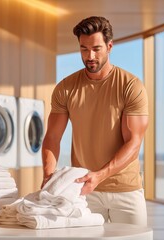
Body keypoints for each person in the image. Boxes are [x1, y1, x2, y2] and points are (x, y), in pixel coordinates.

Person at [41, 16, 149, 226]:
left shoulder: (131, 86)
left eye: (96, 49)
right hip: (83, 190)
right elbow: (52, 137)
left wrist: (99, 176)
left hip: (126, 191)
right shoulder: (65, 88)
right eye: (84, 49)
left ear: (109, 46)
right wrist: (48, 176)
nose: (90, 56)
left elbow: (134, 142)